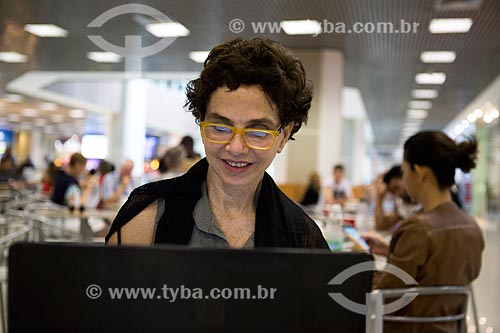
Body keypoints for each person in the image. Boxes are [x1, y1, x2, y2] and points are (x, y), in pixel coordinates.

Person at [106, 38, 328, 249]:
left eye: (257, 132)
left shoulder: (303, 239)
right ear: (201, 125)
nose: (236, 148)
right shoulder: (144, 221)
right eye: (221, 128)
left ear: (284, 135)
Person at [363, 131, 484, 333]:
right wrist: (393, 250)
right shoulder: (471, 227)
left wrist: (361, 270)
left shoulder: (417, 229)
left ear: (420, 172)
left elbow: (387, 296)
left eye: (404, 170)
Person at [374, 165, 420, 231]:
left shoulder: (426, 202)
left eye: (397, 188)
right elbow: (381, 225)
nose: (397, 194)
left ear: (407, 178)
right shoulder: (405, 205)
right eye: (393, 193)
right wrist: (379, 198)